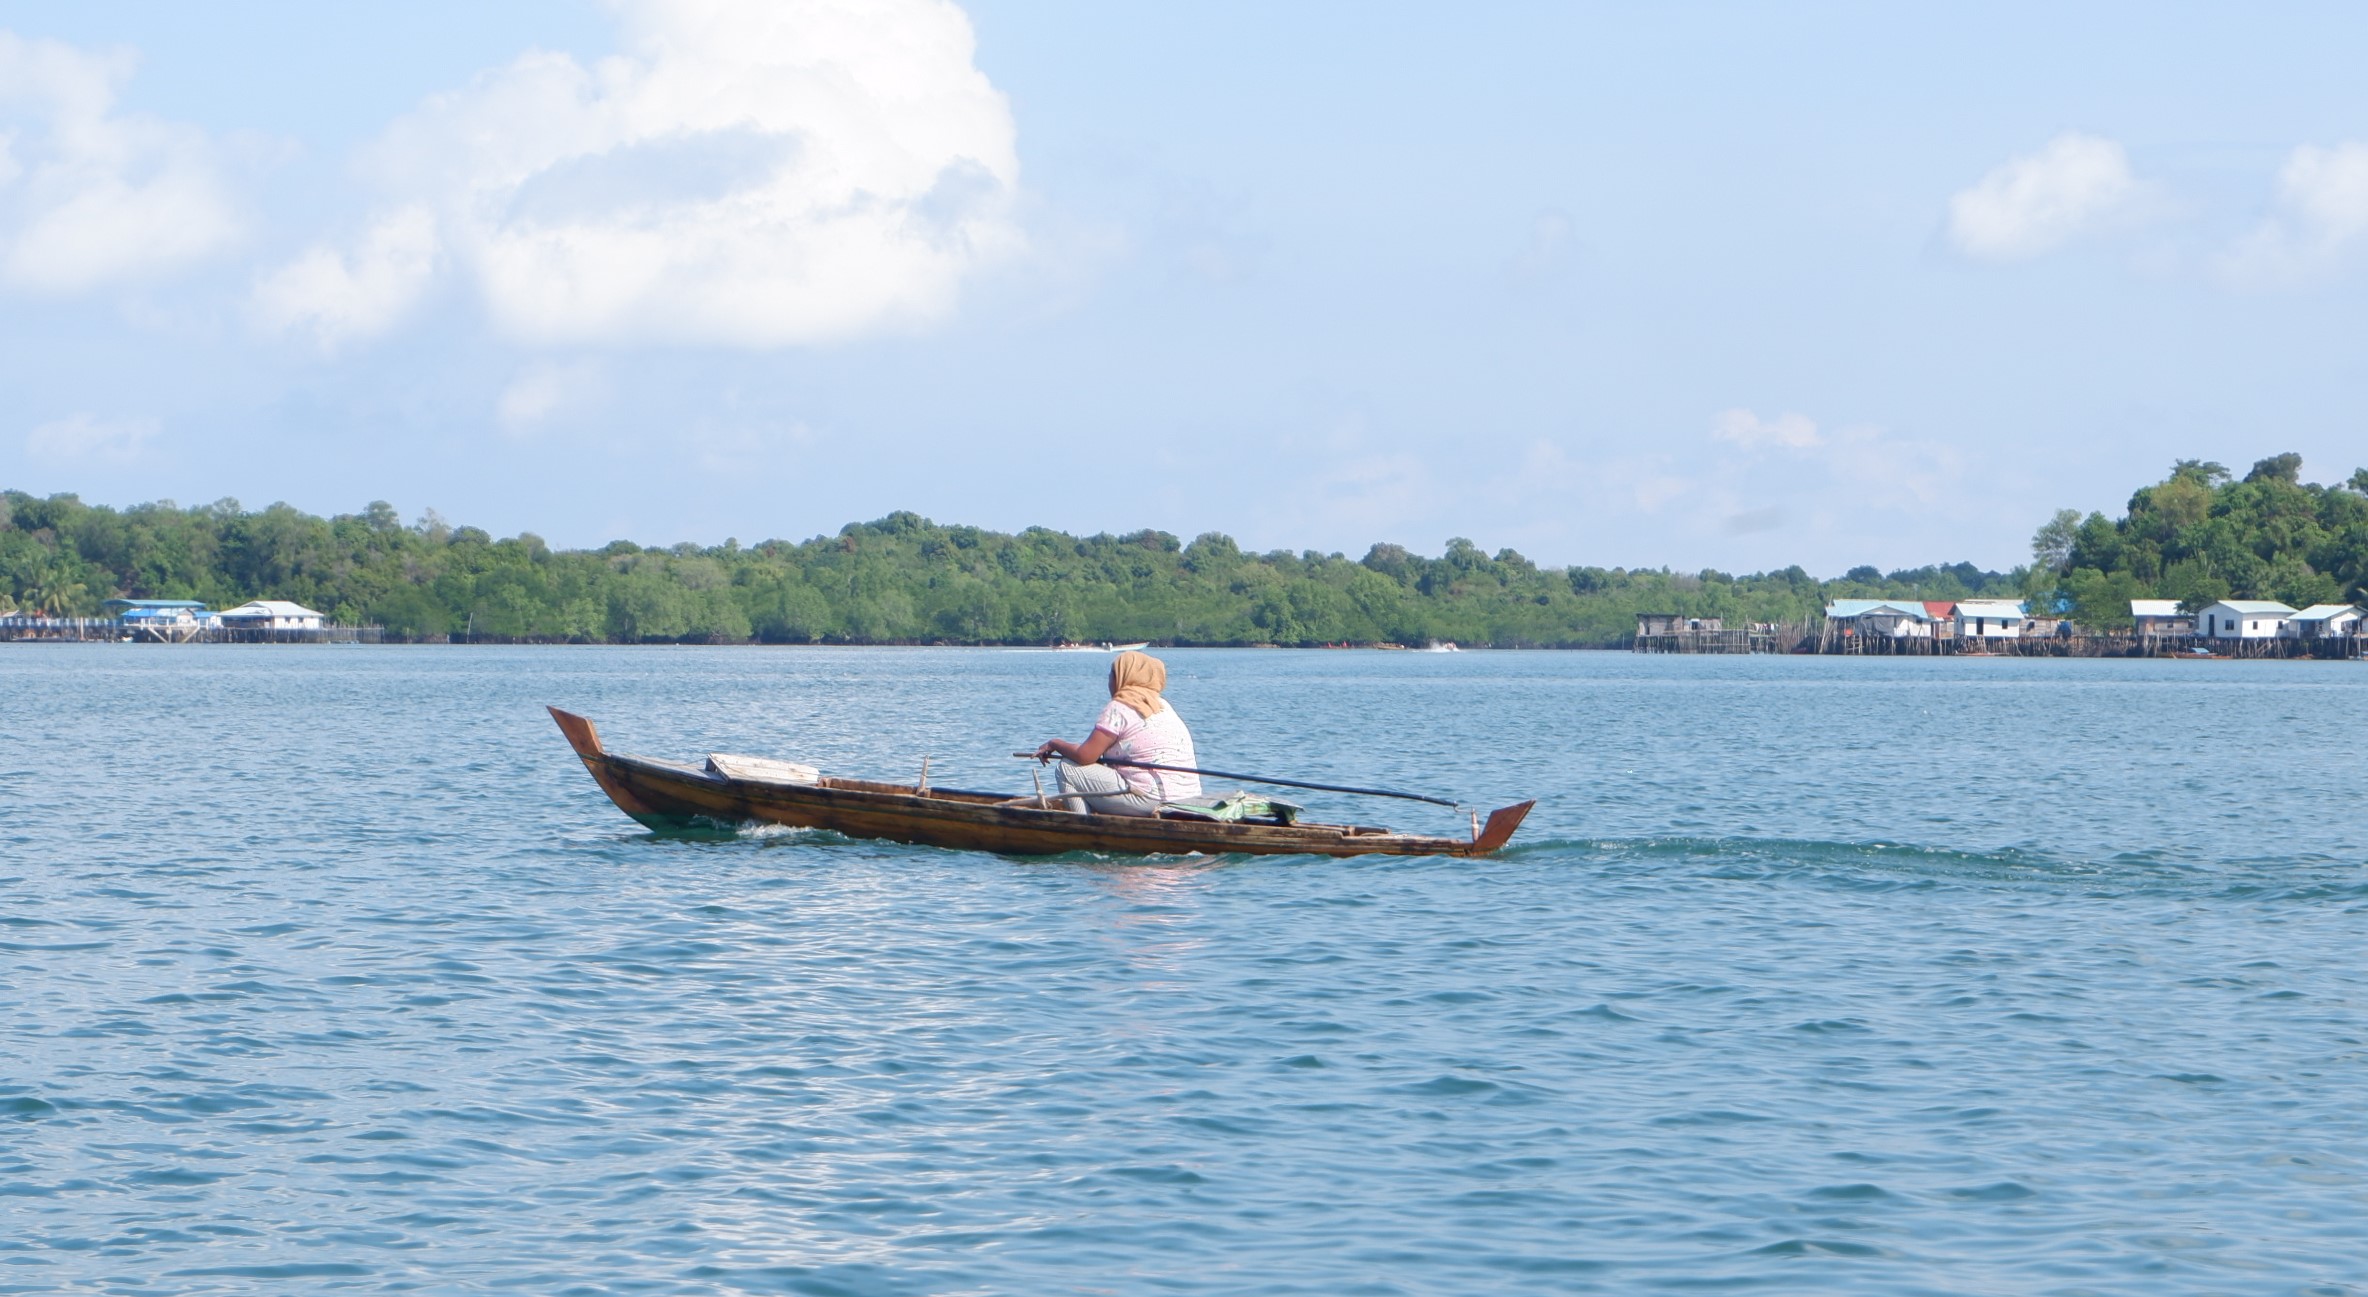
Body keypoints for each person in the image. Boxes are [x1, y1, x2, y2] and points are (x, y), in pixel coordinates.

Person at [1033, 650, 1202, 815]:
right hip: (1188, 799)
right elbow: (1093, 753)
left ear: (1122, 678)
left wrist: (1054, 743)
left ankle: (1083, 829)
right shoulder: (1162, 706)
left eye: (1112, 674)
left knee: (1067, 769)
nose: (1109, 680)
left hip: (1152, 800)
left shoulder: (1120, 708)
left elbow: (1085, 756)